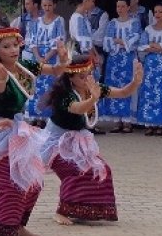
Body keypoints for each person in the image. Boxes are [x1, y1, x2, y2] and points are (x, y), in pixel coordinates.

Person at [0, 23, 67, 236]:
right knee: (9, 186)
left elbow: (54, 71)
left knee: (33, 182)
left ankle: (18, 225)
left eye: (15, 45)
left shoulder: (24, 66)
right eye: (6, 47)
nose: (13, 50)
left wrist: (64, 62)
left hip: (17, 129)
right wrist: (1, 78)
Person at [40, 55, 142, 225]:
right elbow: (78, 109)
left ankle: (87, 209)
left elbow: (123, 92)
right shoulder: (64, 95)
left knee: (102, 169)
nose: (87, 79)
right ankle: (62, 211)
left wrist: (135, 82)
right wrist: (93, 98)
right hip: (56, 144)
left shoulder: (92, 88)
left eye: (89, 74)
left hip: (77, 141)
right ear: (70, 77)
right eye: (81, 76)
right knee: (75, 171)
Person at [135, 1, 162, 135]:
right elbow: (142, 46)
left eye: (160, 12)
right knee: (148, 93)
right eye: (155, 12)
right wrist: (159, 47)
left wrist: (154, 46)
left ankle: (161, 124)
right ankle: (149, 123)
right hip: (149, 66)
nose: (157, 14)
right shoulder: (148, 29)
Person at [102, 0, 142, 132]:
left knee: (128, 84)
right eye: (118, 6)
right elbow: (107, 40)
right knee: (114, 86)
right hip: (114, 59)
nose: (120, 9)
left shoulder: (134, 22)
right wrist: (121, 42)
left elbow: (135, 38)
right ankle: (117, 120)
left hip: (128, 59)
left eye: (123, 6)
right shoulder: (112, 22)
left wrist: (119, 41)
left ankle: (128, 121)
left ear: (128, 7)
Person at [29, 0, 66, 124]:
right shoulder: (36, 22)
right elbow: (32, 41)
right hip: (38, 57)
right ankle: (37, 116)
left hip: (51, 56)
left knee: (49, 86)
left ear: (54, 5)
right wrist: (38, 57)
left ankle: (48, 116)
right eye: (44, 5)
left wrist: (47, 57)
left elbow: (59, 41)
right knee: (37, 86)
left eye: (50, 5)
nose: (47, 8)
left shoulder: (58, 20)